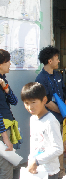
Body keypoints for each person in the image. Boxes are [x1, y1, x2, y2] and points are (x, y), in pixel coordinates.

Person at [35, 45, 66, 178]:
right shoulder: (41, 79)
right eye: (57, 58)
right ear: (50, 61)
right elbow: (47, 102)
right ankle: (56, 173)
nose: (58, 61)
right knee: (53, 148)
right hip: (51, 119)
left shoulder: (58, 74)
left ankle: (61, 172)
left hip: (62, 118)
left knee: (61, 147)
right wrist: (64, 113)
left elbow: (65, 93)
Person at [21, 82, 63, 179]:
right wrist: (32, 161)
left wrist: (37, 161)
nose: (30, 107)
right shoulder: (33, 118)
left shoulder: (50, 121)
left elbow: (58, 148)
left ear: (44, 100)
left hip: (49, 172)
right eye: (26, 103)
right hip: (37, 170)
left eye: (33, 102)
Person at [0, 49, 19, 179]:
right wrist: (5, 137)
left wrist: (6, 88)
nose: (10, 64)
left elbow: (14, 101)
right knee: (6, 169)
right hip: (2, 131)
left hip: (7, 127)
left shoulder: (3, 80)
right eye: (8, 62)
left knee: (7, 167)